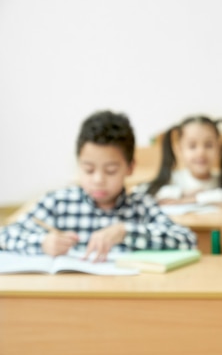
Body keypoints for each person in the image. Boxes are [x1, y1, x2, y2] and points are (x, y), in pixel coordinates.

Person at [0, 110, 197, 261]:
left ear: (130, 167)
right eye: (88, 169)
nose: (98, 179)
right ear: (78, 164)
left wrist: (125, 232)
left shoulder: (140, 206)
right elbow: (5, 235)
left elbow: (187, 240)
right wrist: (42, 243)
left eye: (110, 170)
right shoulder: (58, 203)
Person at [144, 115, 222, 206]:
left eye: (208, 145)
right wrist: (182, 193)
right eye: (192, 146)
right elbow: (144, 192)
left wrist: (195, 199)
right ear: (180, 149)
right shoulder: (174, 179)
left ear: (219, 148)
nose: (201, 152)